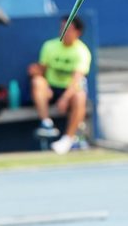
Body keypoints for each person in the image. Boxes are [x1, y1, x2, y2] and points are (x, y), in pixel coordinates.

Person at [28, 16, 91, 155]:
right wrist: (35, 71)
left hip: (69, 91)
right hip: (51, 89)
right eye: (61, 27)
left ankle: (68, 139)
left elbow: (76, 81)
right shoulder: (49, 46)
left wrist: (65, 98)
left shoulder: (82, 52)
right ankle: (46, 124)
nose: (62, 30)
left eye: (67, 28)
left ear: (77, 32)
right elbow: (42, 70)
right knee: (37, 82)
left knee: (80, 96)